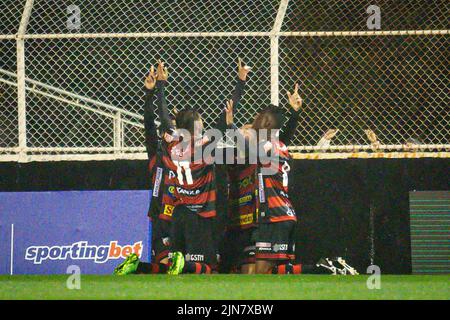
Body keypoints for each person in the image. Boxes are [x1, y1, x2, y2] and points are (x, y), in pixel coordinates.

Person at [225, 83, 358, 275]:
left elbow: (249, 150)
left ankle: (322, 269)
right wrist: (294, 114)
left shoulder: (267, 145)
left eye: (259, 118)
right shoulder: (280, 146)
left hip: (274, 215)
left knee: (262, 272)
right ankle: (322, 268)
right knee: (265, 272)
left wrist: (231, 126)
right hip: (281, 213)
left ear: (267, 124)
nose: (254, 122)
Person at [113, 65, 176, 275]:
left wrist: (160, 87)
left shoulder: (189, 151)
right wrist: (150, 92)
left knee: (178, 266)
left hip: (183, 213)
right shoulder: (157, 153)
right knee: (167, 266)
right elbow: (149, 123)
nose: (170, 132)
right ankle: (137, 267)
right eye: (167, 131)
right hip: (160, 214)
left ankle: (139, 268)